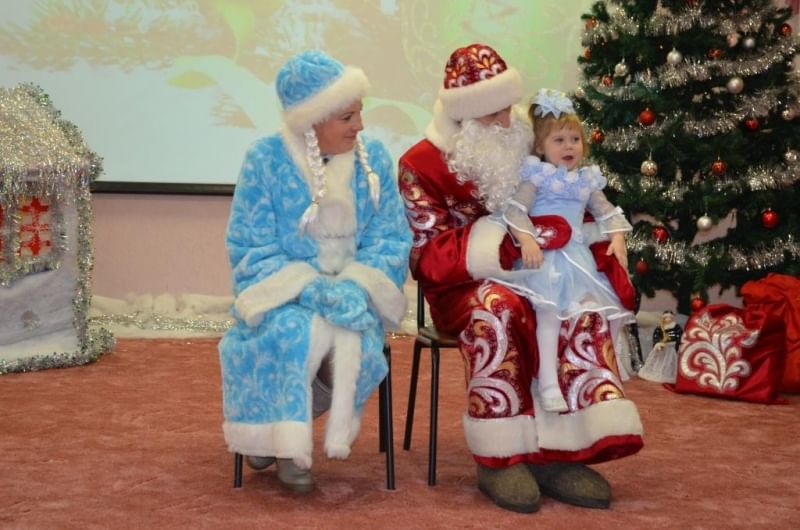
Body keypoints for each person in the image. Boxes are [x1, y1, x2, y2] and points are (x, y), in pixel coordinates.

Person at [399, 43, 643, 513]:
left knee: (575, 301)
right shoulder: (421, 163)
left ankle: (562, 448)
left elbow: (568, 205)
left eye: (506, 108)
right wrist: (503, 246)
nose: (505, 122)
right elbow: (425, 256)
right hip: (464, 286)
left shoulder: (527, 142)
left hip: (541, 267)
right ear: (463, 118)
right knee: (503, 308)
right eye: (490, 114)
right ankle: (501, 455)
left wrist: (596, 241)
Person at [219, 50, 412, 493]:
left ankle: (280, 426)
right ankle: (288, 446)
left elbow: (390, 237)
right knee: (291, 334)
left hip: (353, 291)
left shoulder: (375, 159)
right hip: (285, 294)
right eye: (347, 115)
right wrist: (306, 288)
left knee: (353, 341)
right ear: (313, 120)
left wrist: (359, 286)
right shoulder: (264, 160)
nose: (360, 125)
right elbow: (250, 245)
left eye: (360, 112)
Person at [489, 88, 636, 412]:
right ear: (541, 147)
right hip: (546, 256)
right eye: (559, 140)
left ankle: (605, 370)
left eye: (574, 139)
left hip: (579, 257)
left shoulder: (586, 180)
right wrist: (527, 240)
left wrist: (617, 238)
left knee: (605, 309)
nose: (569, 146)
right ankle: (547, 382)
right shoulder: (536, 177)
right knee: (549, 314)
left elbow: (607, 212)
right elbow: (514, 211)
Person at [638, 310, 683, 383]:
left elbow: (679, 336)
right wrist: (657, 343)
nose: (668, 319)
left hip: (671, 348)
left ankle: (668, 374)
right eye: (666, 318)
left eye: (669, 318)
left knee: (670, 361)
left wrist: (673, 340)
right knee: (658, 360)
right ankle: (656, 372)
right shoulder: (660, 327)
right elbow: (656, 336)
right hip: (661, 347)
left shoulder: (676, 327)